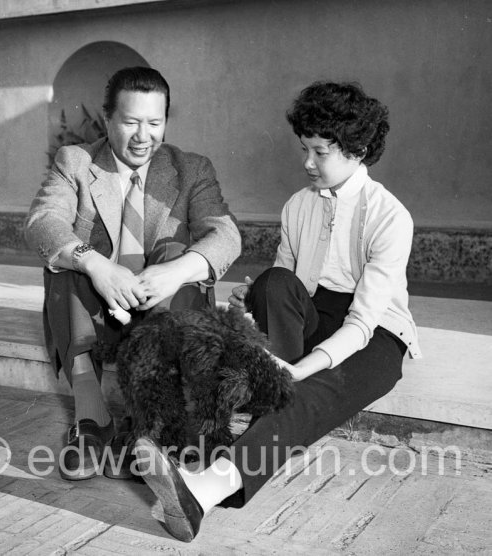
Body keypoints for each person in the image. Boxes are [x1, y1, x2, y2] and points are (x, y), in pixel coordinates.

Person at [134, 81, 422, 542]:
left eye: (320, 152)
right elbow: (285, 285)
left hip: (377, 333)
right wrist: (250, 305)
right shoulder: (297, 206)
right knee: (269, 283)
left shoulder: (389, 216)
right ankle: (224, 415)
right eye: (304, 149)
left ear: (358, 149)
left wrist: (301, 368)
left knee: (310, 393)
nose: (307, 162)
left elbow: (364, 322)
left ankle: (203, 491)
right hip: (312, 315)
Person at [24, 66, 241, 481]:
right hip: (98, 313)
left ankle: (149, 426)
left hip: (165, 318)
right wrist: (96, 264)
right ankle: (92, 420)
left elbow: (226, 236)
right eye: (131, 122)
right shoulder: (76, 161)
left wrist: (174, 272)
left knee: (179, 252)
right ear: (107, 120)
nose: (144, 136)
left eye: (154, 123)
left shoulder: (190, 168)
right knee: (65, 258)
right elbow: (42, 221)